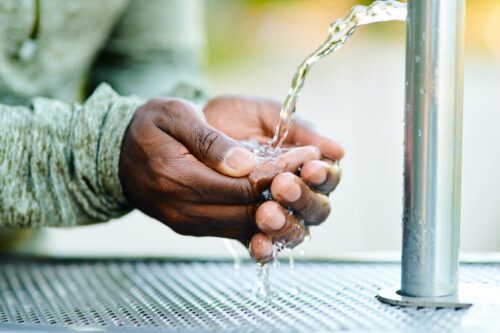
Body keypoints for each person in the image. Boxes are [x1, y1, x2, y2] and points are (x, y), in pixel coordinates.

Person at [0, 0, 344, 262]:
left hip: (24, 264)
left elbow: (150, 59)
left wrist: (193, 129)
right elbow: (115, 140)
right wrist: (106, 149)